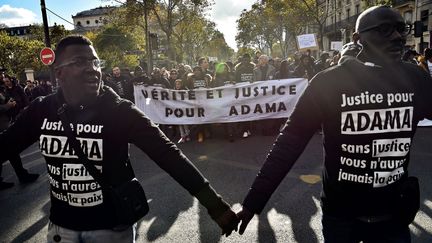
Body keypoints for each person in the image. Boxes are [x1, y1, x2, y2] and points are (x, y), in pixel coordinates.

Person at [0, 35, 239, 242]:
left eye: (95, 62)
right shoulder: (41, 110)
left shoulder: (119, 111)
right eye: (80, 62)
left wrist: (214, 204)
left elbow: (168, 155)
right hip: (61, 230)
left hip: (110, 230)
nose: (93, 68)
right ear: (59, 72)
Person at [237, 6, 432, 242]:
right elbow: (289, 143)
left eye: (402, 29)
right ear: (357, 39)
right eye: (385, 30)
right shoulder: (328, 83)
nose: (398, 36)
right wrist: (252, 203)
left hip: (394, 216)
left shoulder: (416, 79)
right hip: (341, 218)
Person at [0, 84, 39, 190]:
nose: (2, 77)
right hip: (1, 126)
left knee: (12, 151)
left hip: (5, 124)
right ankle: (22, 175)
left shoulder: (3, 89)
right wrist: (8, 106)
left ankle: (22, 174)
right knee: (9, 151)